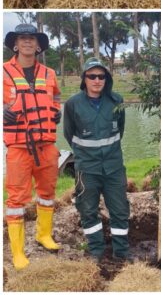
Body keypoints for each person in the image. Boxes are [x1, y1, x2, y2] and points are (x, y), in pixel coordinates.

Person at [3, 24, 62, 270]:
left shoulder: (49, 73)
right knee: (16, 199)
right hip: (18, 146)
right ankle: (18, 251)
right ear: (16, 44)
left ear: (38, 46)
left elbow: (56, 97)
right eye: (23, 38)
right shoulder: (3, 72)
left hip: (46, 145)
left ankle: (43, 235)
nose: (28, 42)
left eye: (32, 39)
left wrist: (57, 112)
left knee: (47, 193)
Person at [63, 58, 130, 261]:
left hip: (114, 167)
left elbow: (121, 130)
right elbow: (69, 134)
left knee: (119, 210)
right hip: (87, 168)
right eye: (92, 76)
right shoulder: (73, 104)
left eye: (101, 76)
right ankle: (96, 252)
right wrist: (85, 155)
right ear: (84, 79)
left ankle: (121, 254)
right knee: (88, 211)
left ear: (106, 79)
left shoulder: (117, 101)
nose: (97, 80)